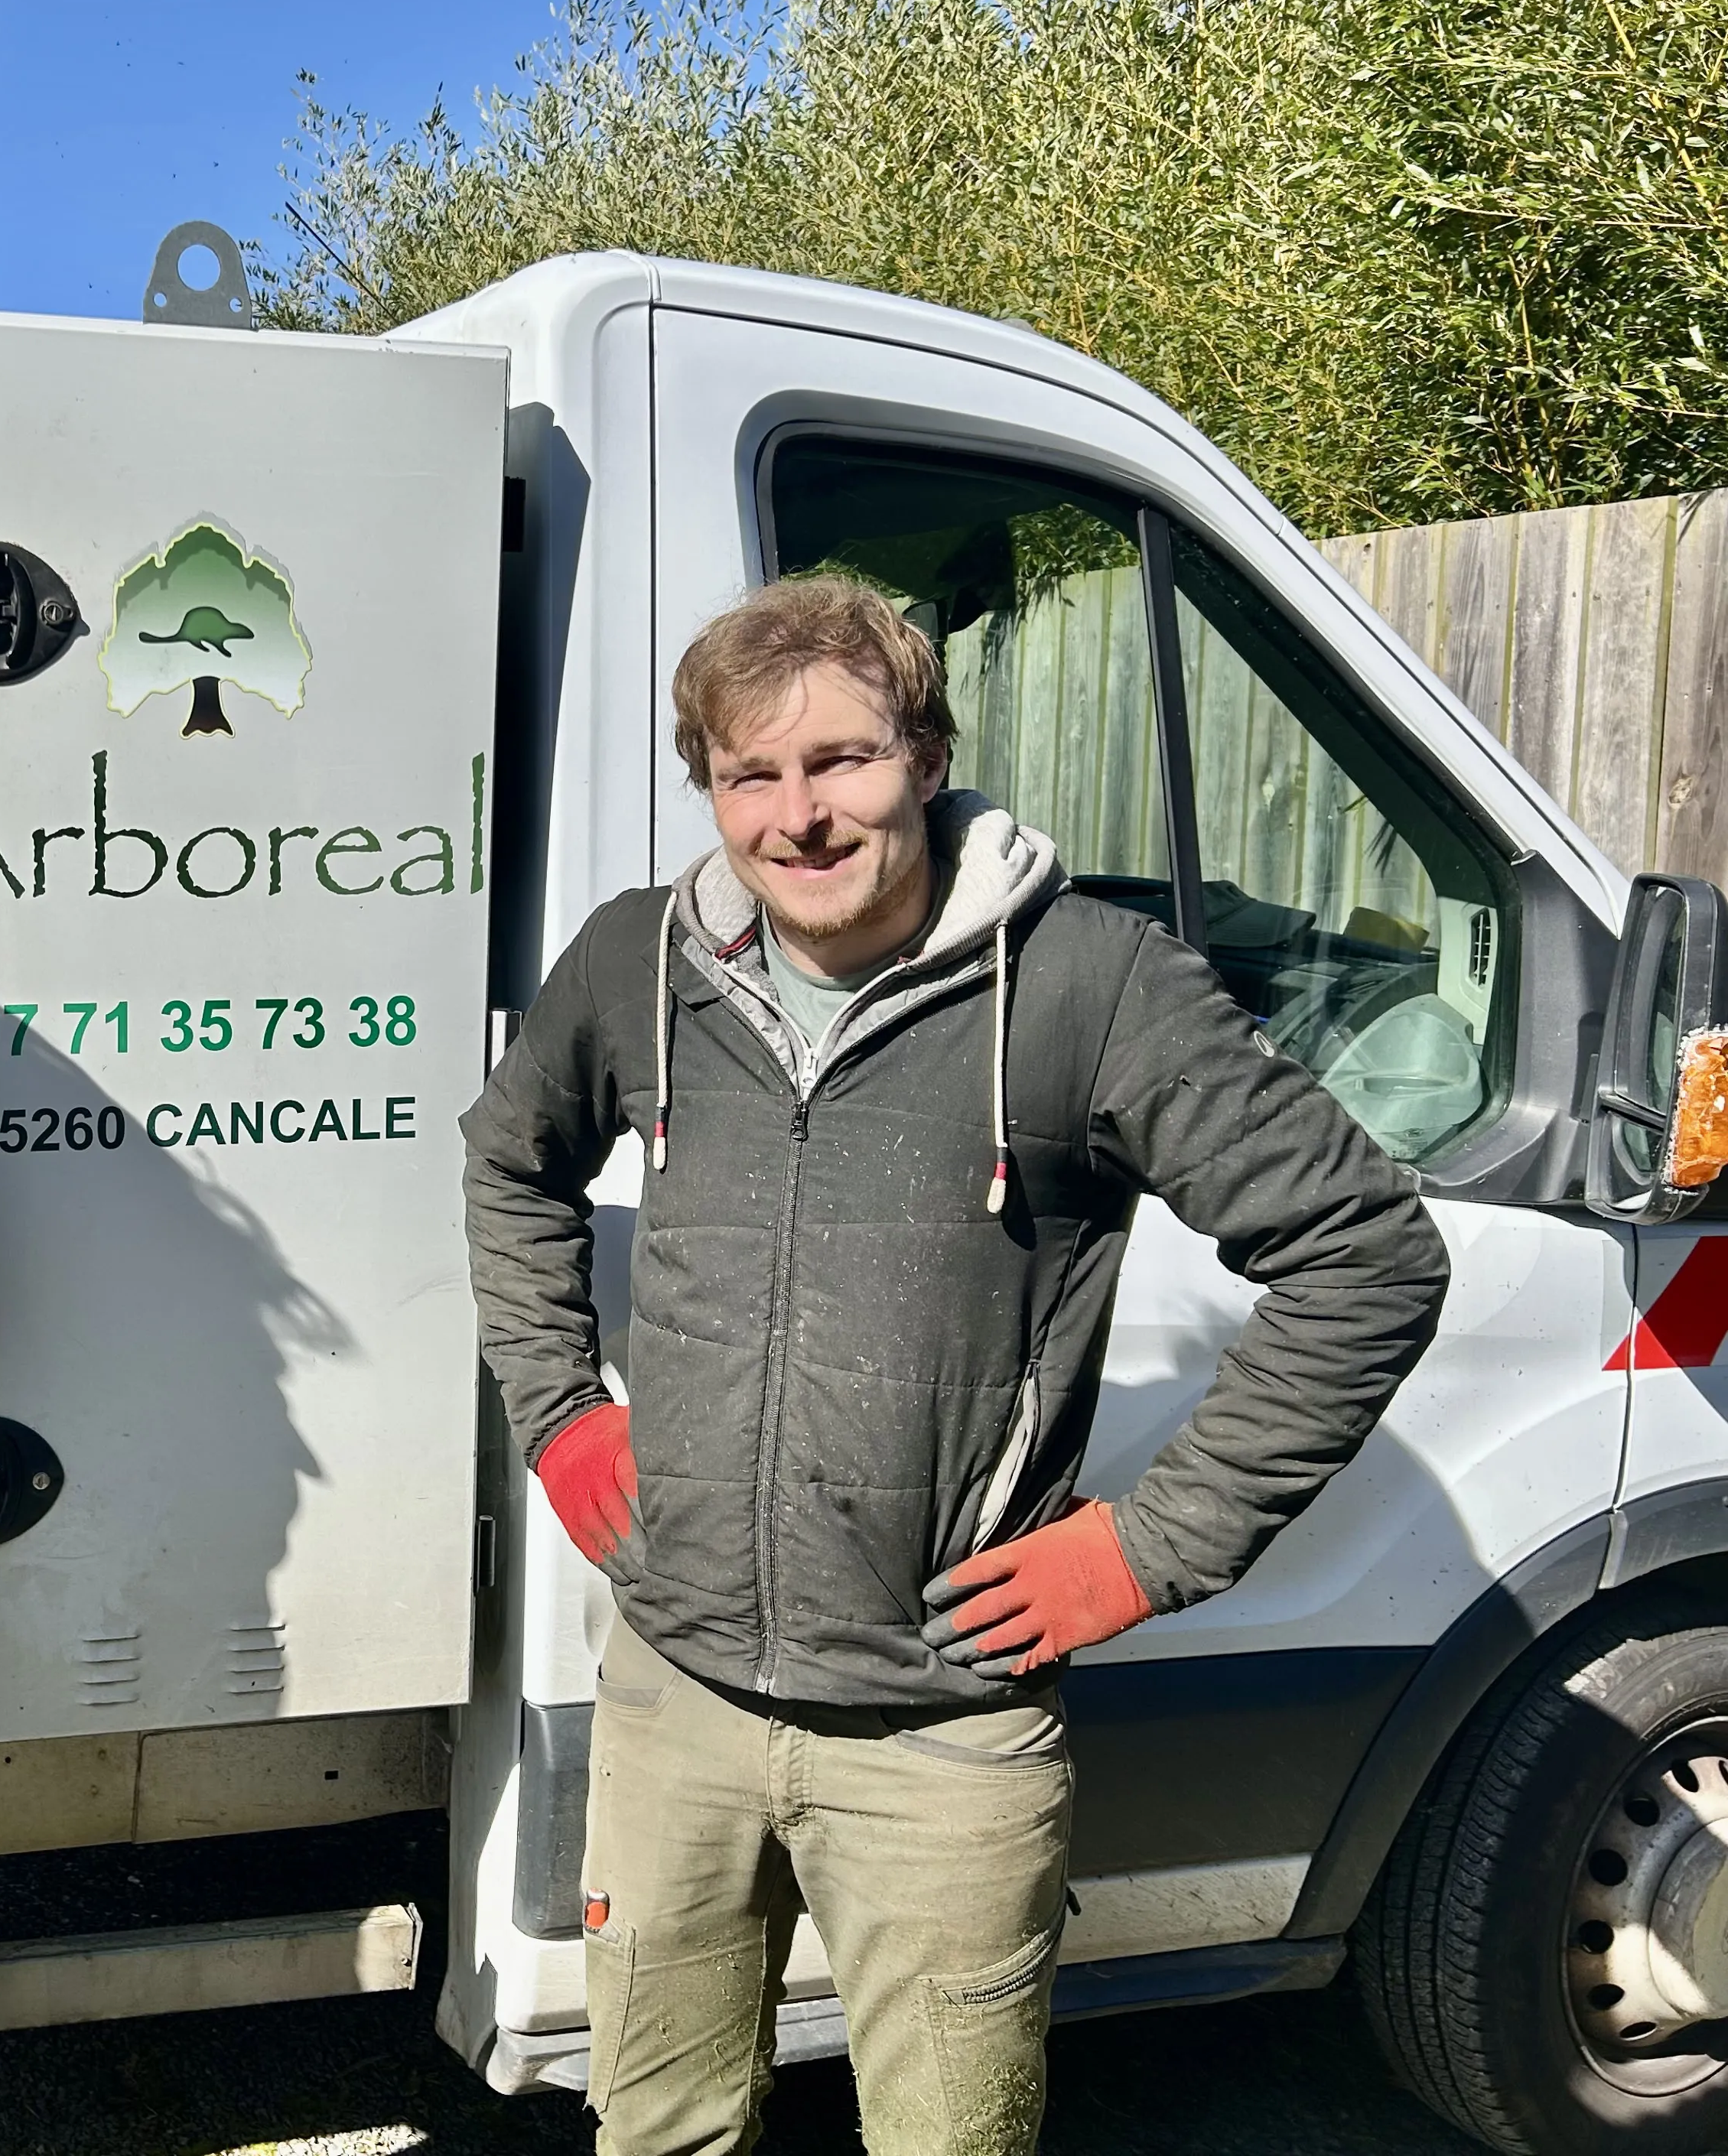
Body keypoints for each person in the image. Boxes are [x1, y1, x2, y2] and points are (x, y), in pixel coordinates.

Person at [460, 574, 1449, 2156]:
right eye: (750, 775)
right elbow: (510, 1167)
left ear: (925, 756)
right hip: (674, 1700)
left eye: (842, 760)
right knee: (657, 2132)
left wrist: (1149, 1546)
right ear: (709, 785)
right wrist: (562, 1408)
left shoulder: (1091, 985)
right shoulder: (634, 966)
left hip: (946, 1732)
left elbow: (1365, 1257)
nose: (798, 816)